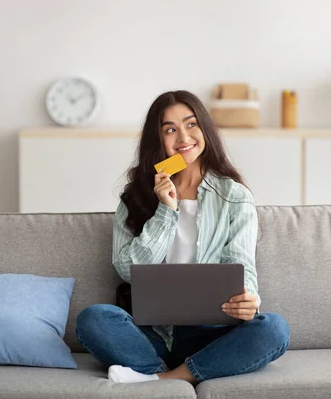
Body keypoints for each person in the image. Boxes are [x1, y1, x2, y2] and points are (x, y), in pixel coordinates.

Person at [76, 90, 290, 384]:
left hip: (216, 333)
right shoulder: (135, 198)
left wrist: (248, 298)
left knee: (275, 329)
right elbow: (128, 269)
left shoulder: (234, 196)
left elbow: (242, 265)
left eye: (191, 125)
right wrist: (166, 210)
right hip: (155, 334)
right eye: (170, 130)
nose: (183, 138)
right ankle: (190, 370)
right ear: (158, 140)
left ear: (205, 129)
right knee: (93, 319)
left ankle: (160, 379)